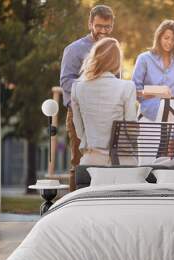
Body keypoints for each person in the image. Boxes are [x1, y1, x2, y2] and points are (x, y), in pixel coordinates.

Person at [60, 5, 114, 191]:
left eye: (107, 27)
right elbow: (66, 82)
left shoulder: (112, 50)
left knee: (105, 163)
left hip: (106, 116)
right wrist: (91, 90)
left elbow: (117, 82)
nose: (103, 31)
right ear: (90, 23)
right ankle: (74, 208)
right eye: (99, 26)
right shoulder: (74, 50)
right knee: (79, 162)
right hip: (79, 115)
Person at [71, 38, 137, 166]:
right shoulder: (127, 87)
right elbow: (131, 132)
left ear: (94, 58)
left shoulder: (77, 88)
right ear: (116, 61)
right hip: (121, 161)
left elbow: (79, 132)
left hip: (91, 160)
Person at [132, 19, 174, 165]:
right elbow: (134, 90)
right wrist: (153, 93)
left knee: (168, 161)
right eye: (166, 38)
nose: (169, 42)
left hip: (170, 114)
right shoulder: (144, 58)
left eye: (173, 39)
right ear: (159, 37)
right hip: (149, 114)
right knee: (147, 161)